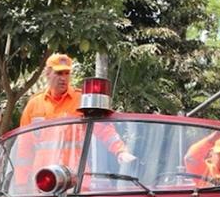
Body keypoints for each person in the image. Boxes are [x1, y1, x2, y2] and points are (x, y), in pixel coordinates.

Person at [14, 53, 134, 183]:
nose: (63, 78)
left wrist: (121, 151)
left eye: (67, 73)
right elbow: (24, 148)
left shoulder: (82, 100)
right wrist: (21, 182)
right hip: (43, 180)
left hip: (75, 179)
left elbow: (104, 130)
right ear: (47, 74)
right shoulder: (34, 104)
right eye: (59, 73)